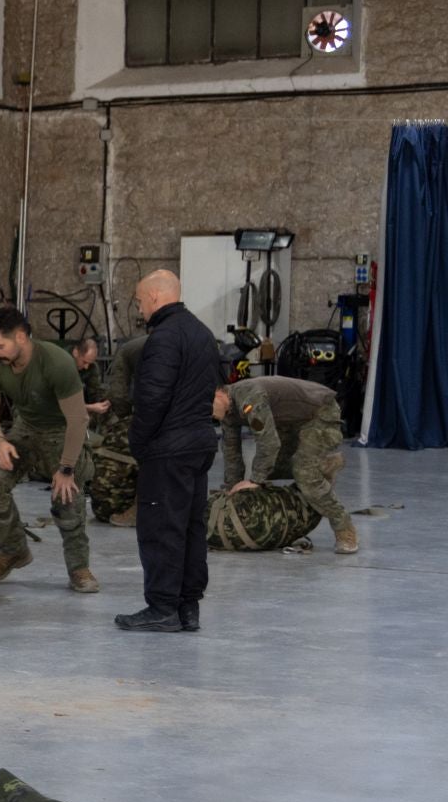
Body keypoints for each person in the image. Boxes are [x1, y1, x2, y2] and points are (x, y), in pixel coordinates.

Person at [116, 270, 220, 633]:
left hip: (168, 449)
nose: (140, 308)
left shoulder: (163, 339)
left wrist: (139, 443)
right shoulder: (203, 334)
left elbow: (151, 399)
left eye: (141, 301)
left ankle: (162, 607)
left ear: (157, 298)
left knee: (161, 527)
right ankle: (187, 607)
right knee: (191, 527)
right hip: (200, 444)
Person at [0, 307, 100, 593]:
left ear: (21, 337)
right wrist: (0, 441)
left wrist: (66, 468)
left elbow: (78, 419)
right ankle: (13, 550)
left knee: (67, 497)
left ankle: (79, 567)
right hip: (25, 428)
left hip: (63, 431)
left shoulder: (57, 362)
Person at [217, 376, 357, 554]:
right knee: (271, 467)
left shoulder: (248, 397)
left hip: (320, 413)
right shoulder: (227, 412)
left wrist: (255, 480)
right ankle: (322, 466)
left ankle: (344, 528)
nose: (209, 416)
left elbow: (268, 443)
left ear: (218, 394)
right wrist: (232, 490)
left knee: (304, 473)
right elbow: (231, 452)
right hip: (292, 420)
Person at [72, 337, 109, 418]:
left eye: (90, 363)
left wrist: (104, 403)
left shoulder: (91, 367)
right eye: (84, 362)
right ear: (75, 353)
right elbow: (62, 405)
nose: (86, 367)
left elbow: (95, 392)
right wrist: (91, 408)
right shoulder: (63, 366)